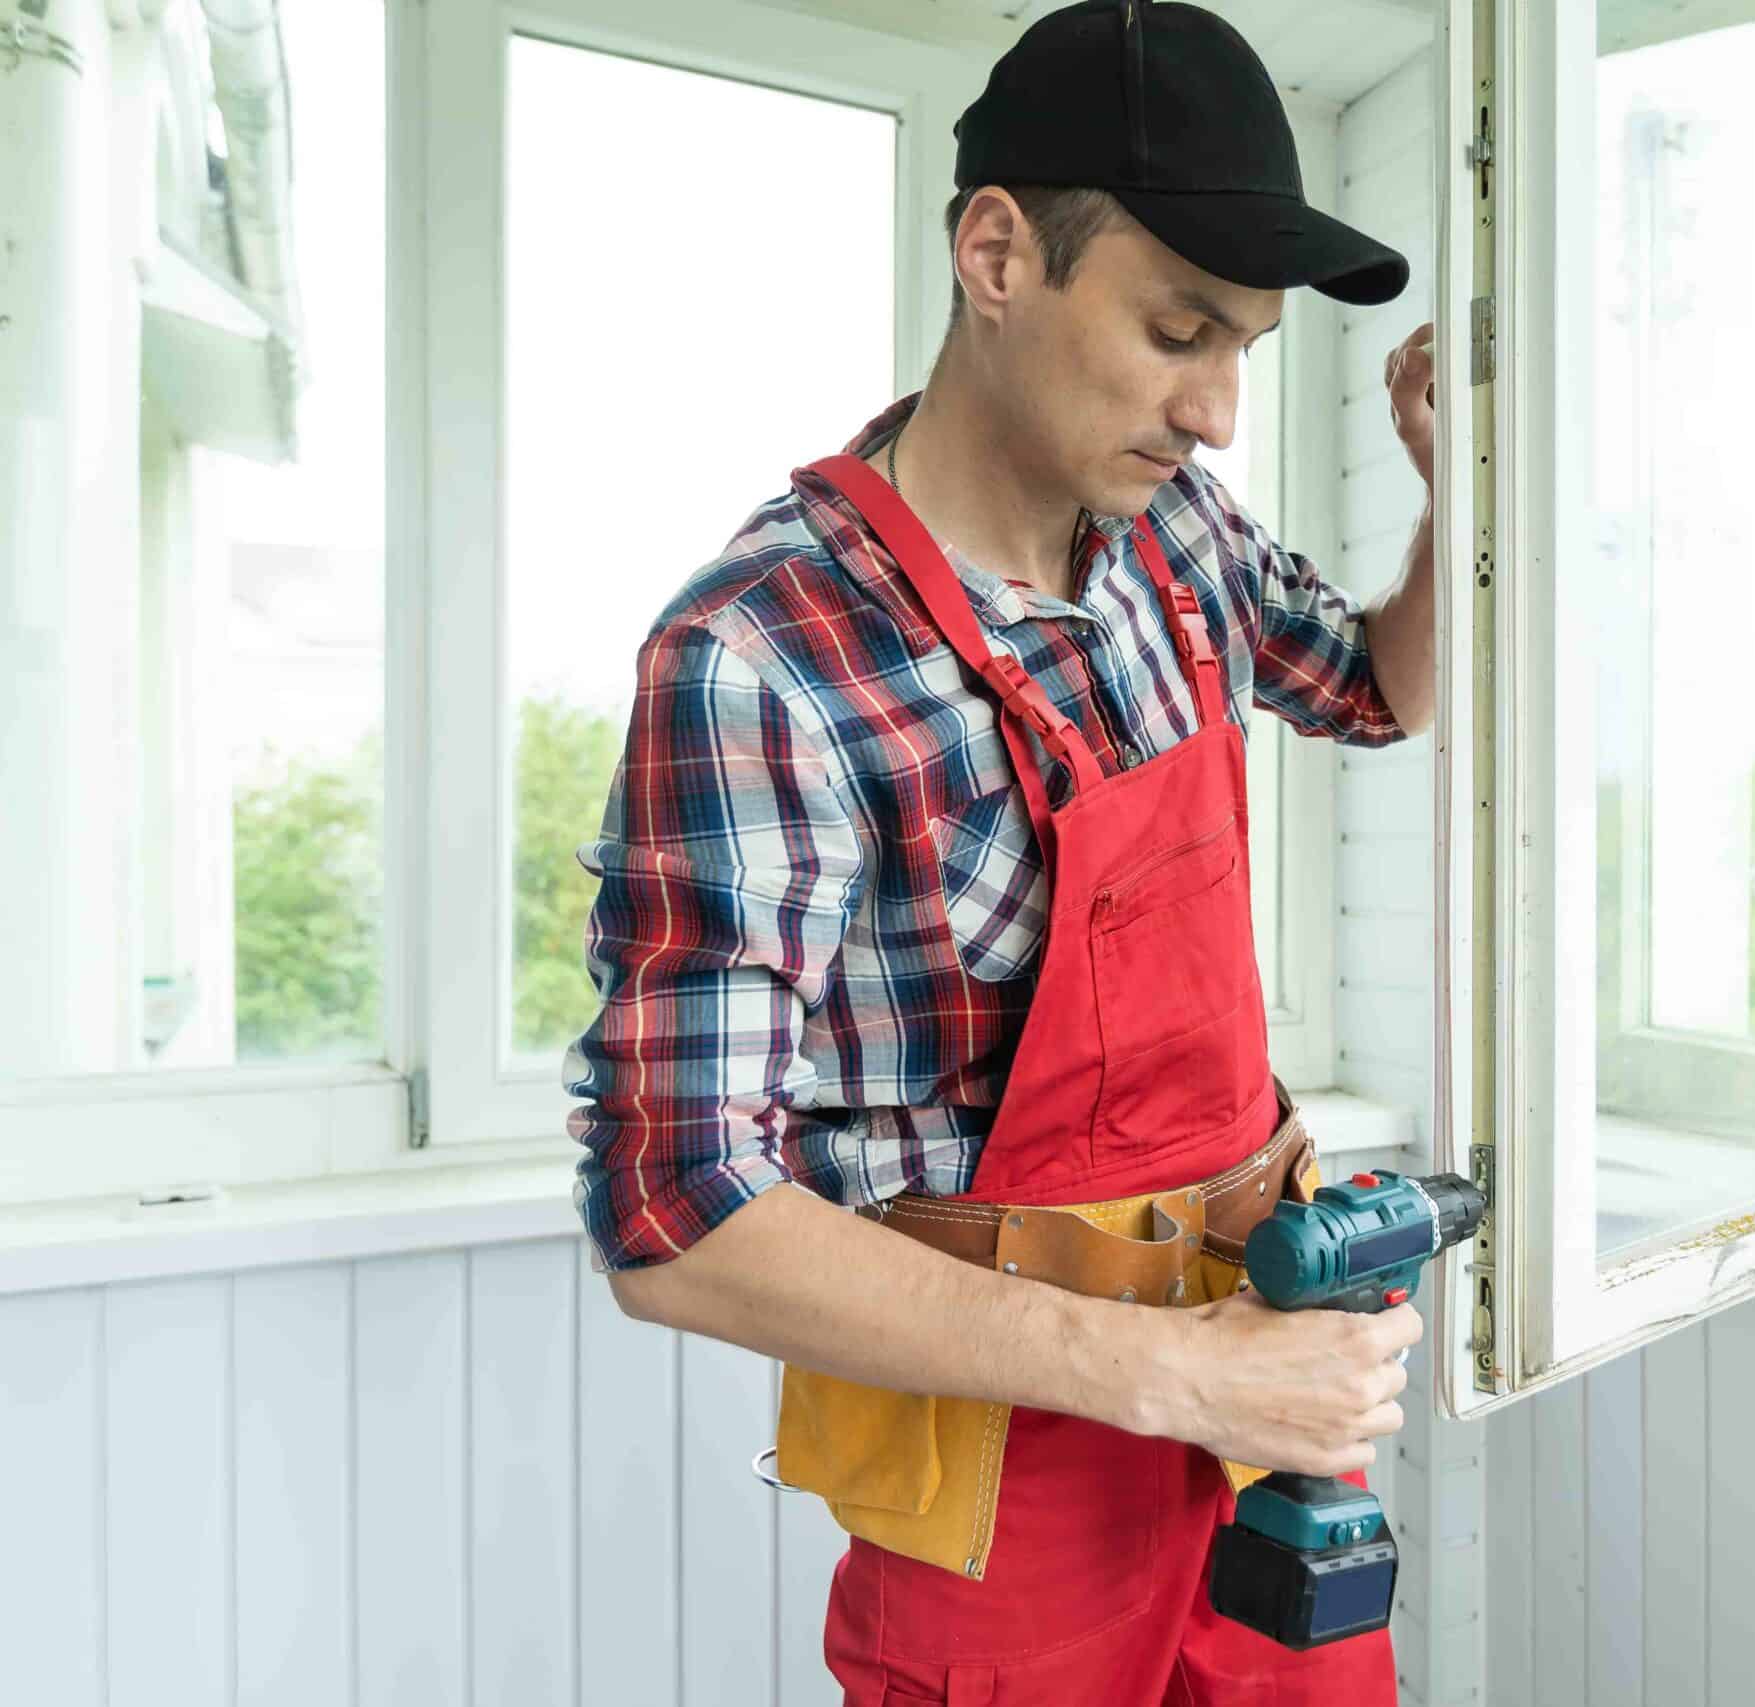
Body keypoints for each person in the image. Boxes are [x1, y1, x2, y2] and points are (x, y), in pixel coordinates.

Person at [561, 3, 1438, 1700]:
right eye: (1181, 328)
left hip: (1261, 1429)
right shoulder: (766, 658)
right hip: (1002, 1489)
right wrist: (1174, 1378)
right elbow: (673, 1215)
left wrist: (1458, 491)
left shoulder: (1171, 527)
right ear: (996, 253)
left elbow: (1374, 689)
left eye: (1244, 343)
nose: (1219, 409)